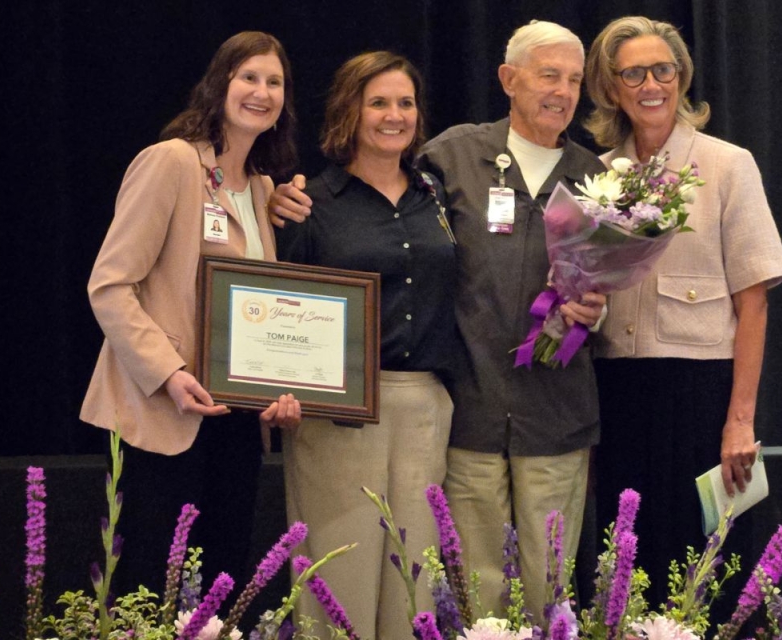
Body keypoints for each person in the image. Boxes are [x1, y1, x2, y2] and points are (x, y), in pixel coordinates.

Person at [271, 22, 606, 620]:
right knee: (468, 590)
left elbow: (609, 282)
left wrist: (596, 308)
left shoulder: (600, 178)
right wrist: (281, 200)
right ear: (508, 79)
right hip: (466, 413)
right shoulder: (451, 159)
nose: (561, 90)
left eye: (574, 79)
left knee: (545, 589)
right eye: (547, 74)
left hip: (551, 414)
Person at [80, 31, 303, 598]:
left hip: (235, 421)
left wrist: (278, 385)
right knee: (149, 589)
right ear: (219, 85)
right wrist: (170, 373)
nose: (261, 92)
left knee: (219, 589)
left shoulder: (260, 190)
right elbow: (110, 286)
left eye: (274, 82)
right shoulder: (171, 162)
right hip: (165, 412)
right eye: (248, 77)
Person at [584, 16, 782, 608]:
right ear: (611, 87)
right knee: (629, 564)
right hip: (619, 392)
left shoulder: (728, 164)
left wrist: (741, 421)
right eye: (633, 73)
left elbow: (753, 302)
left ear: (682, 77)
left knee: (707, 565)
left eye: (664, 70)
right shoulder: (598, 176)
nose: (652, 84)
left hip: (701, 396)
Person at [274, 52, 459, 639]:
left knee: (415, 588)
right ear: (348, 111)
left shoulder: (437, 195)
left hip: (425, 406)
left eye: (405, 102)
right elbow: (285, 310)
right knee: (340, 580)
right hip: (338, 414)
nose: (394, 115)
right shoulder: (309, 202)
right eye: (378, 101)